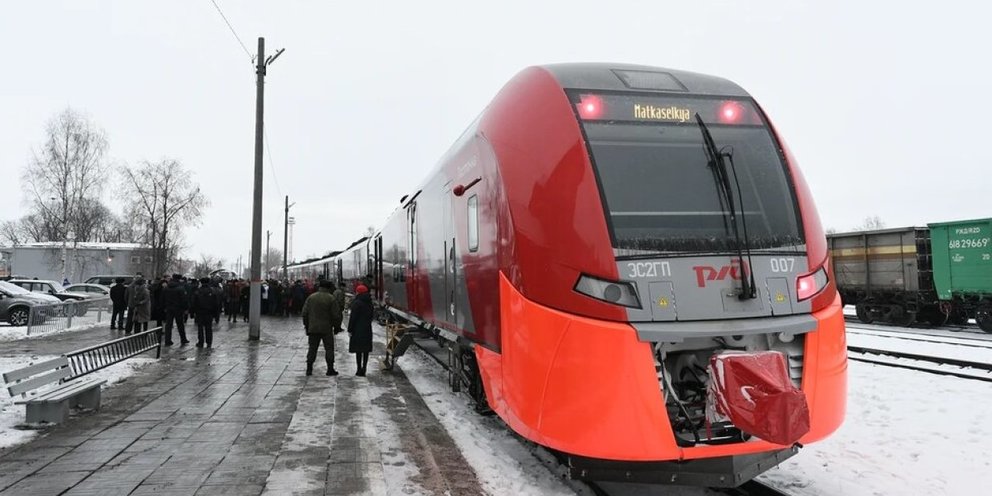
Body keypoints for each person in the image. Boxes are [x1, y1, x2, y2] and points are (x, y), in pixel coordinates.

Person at [301, 280, 340, 376]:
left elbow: (304, 313)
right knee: (329, 349)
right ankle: (330, 369)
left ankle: (309, 369)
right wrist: (337, 327)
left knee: (312, 348)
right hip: (327, 328)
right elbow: (336, 315)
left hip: (313, 328)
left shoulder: (311, 297)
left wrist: (307, 326)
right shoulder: (331, 298)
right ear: (328, 288)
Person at [347, 284, 374, 376]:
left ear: (358, 292)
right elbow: (371, 316)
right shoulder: (369, 302)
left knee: (358, 350)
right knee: (365, 350)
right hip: (367, 328)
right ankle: (364, 368)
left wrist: (350, 329)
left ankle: (359, 369)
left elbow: (353, 318)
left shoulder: (357, 303)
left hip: (357, 329)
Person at [162, 274, 189, 346]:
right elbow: (184, 300)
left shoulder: (166, 288)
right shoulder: (181, 288)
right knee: (180, 324)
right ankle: (183, 339)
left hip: (169, 308)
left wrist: (164, 307)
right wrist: (185, 308)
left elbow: (162, 299)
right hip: (178, 308)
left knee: (168, 325)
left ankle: (167, 340)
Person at [193, 277, 218, 347]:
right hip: (209, 312)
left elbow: (194, 303)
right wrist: (215, 314)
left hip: (200, 312)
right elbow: (215, 303)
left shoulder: (198, 291)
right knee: (209, 327)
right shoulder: (212, 291)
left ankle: (200, 342)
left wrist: (193, 312)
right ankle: (209, 342)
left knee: (200, 328)